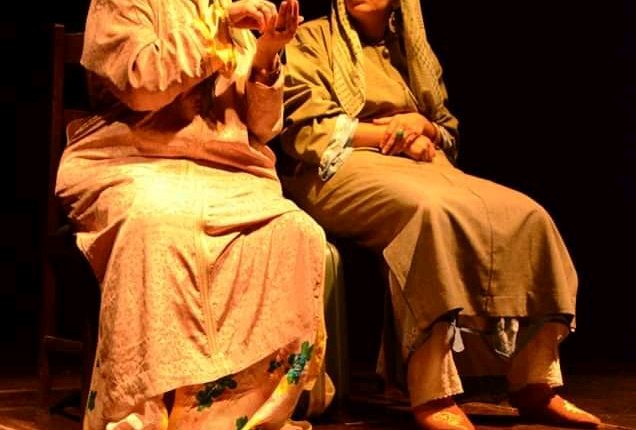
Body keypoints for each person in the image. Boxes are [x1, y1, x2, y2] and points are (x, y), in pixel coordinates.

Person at [279, 0, 602, 428]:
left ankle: (536, 381)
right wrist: (391, 132)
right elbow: (306, 129)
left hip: (423, 164)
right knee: (430, 214)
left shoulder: (411, 47)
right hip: (338, 167)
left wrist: (424, 127)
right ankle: (432, 390)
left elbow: (445, 126)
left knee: (528, 216)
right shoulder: (311, 38)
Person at [55, 0, 328, 429]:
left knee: (297, 232)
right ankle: (142, 414)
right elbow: (142, 85)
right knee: (157, 224)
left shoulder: (228, 7)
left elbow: (263, 128)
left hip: (228, 171)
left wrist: (266, 55)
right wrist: (216, 27)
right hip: (133, 159)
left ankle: (237, 417)